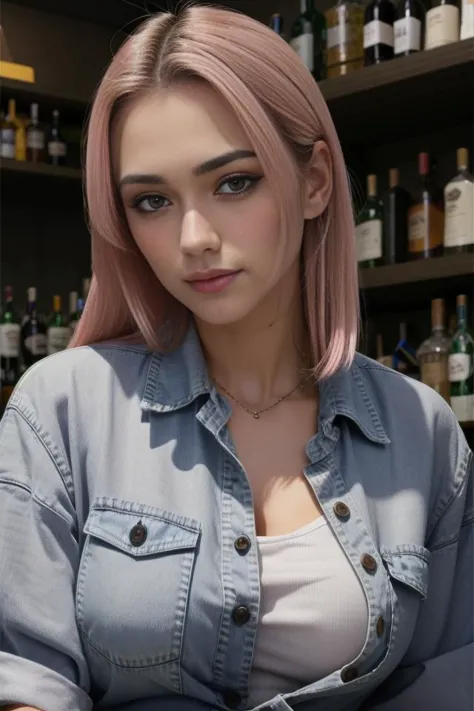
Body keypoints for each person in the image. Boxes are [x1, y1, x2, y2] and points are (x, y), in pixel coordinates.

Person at [0, 6, 472, 711]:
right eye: (152, 200)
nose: (193, 237)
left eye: (233, 182)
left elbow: (443, 683)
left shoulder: (421, 432)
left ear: (314, 182)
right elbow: (26, 678)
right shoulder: (61, 410)